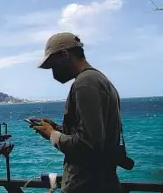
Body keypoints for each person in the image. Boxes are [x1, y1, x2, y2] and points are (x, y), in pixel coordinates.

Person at [32, 32, 122, 193]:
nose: (53, 72)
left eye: (53, 65)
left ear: (65, 55)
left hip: (86, 186)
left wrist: (52, 135)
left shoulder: (85, 82)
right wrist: (58, 129)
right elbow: (93, 133)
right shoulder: (98, 79)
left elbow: (88, 144)